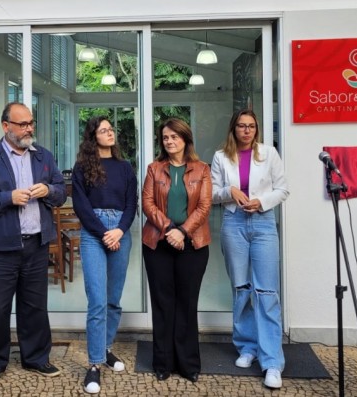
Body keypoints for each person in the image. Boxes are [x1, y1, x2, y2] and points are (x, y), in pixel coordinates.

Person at [0, 102, 67, 388]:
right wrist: (7, 198)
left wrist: (49, 190)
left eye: (30, 123)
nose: (29, 129)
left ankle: (36, 358)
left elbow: (60, 192)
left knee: (34, 307)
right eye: (22, 124)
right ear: (5, 126)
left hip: (36, 244)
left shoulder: (43, 156)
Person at [210, 109, 289, 389]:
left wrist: (261, 201)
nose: (247, 130)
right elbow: (211, 193)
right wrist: (229, 191)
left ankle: (271, 362)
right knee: (241, 288)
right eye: (242, 126)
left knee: (266, 291)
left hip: (263, 223)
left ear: (257, 129)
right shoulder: (221, 156)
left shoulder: (269, 153)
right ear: (234, 129)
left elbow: (283, 189)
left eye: (251, 126)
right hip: (233, 223)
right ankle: (247, 346)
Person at [71, 117, 138, 394]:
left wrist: (119, 231)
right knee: (97, 301)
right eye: (103, 130)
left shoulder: (125, 167)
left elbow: (132, 202)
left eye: (111, 130)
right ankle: (95, 364)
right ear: (93, 136)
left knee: (113, 300)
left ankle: (107, 348)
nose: (109, 133)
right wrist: (104, 233)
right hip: (93, 234)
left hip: (121, 231)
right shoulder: (82, 167)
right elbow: (81, 206)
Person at [142, 118, 211, 383]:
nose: (169, 141)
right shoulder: (154, 169)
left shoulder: (202, 169)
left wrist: (182, 232)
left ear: (185, 139)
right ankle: (163, 363)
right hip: (158, 243)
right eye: (166, 138)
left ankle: (188, 364)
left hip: (193, 244)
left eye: (175, 137)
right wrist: (170, 228)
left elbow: (204, 207)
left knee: (186, 304)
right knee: (162, 304)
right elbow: (147, 203)